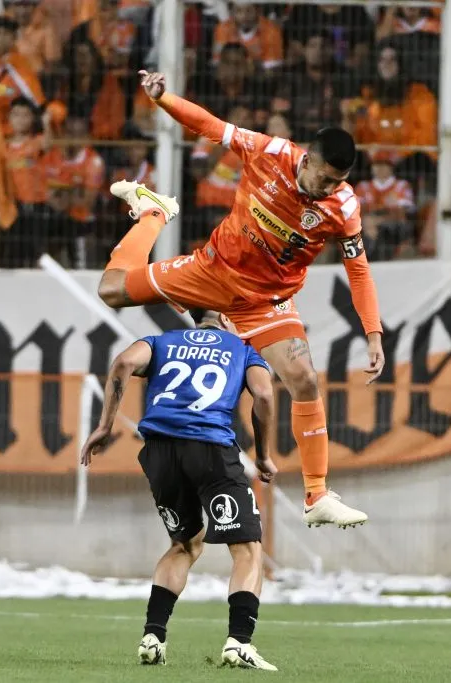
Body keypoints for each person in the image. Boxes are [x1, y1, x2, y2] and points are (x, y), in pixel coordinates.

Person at [97, 69, 383, 529]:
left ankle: (317, 495)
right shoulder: (268, 151)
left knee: (304, 379)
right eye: (326, 179)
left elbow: (358, 269)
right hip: (210, 273)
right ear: (307, 159)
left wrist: (373, 332)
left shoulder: (344, 208)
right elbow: (211, 126)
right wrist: (164, 98)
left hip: (267, 301)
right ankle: (154, 212)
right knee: (111, 290)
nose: (330, 190)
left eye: (338, 183)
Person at [80, 309, 278, 671]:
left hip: (160, 452)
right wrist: (263, 455)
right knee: (247, 548)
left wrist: (105, 425)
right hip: (210, 451)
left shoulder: (161, 341)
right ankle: (239, 643)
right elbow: (263, 395)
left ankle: (153, 637)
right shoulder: (241, 347)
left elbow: (123, 362)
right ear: (225, 317)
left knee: (185, 544)